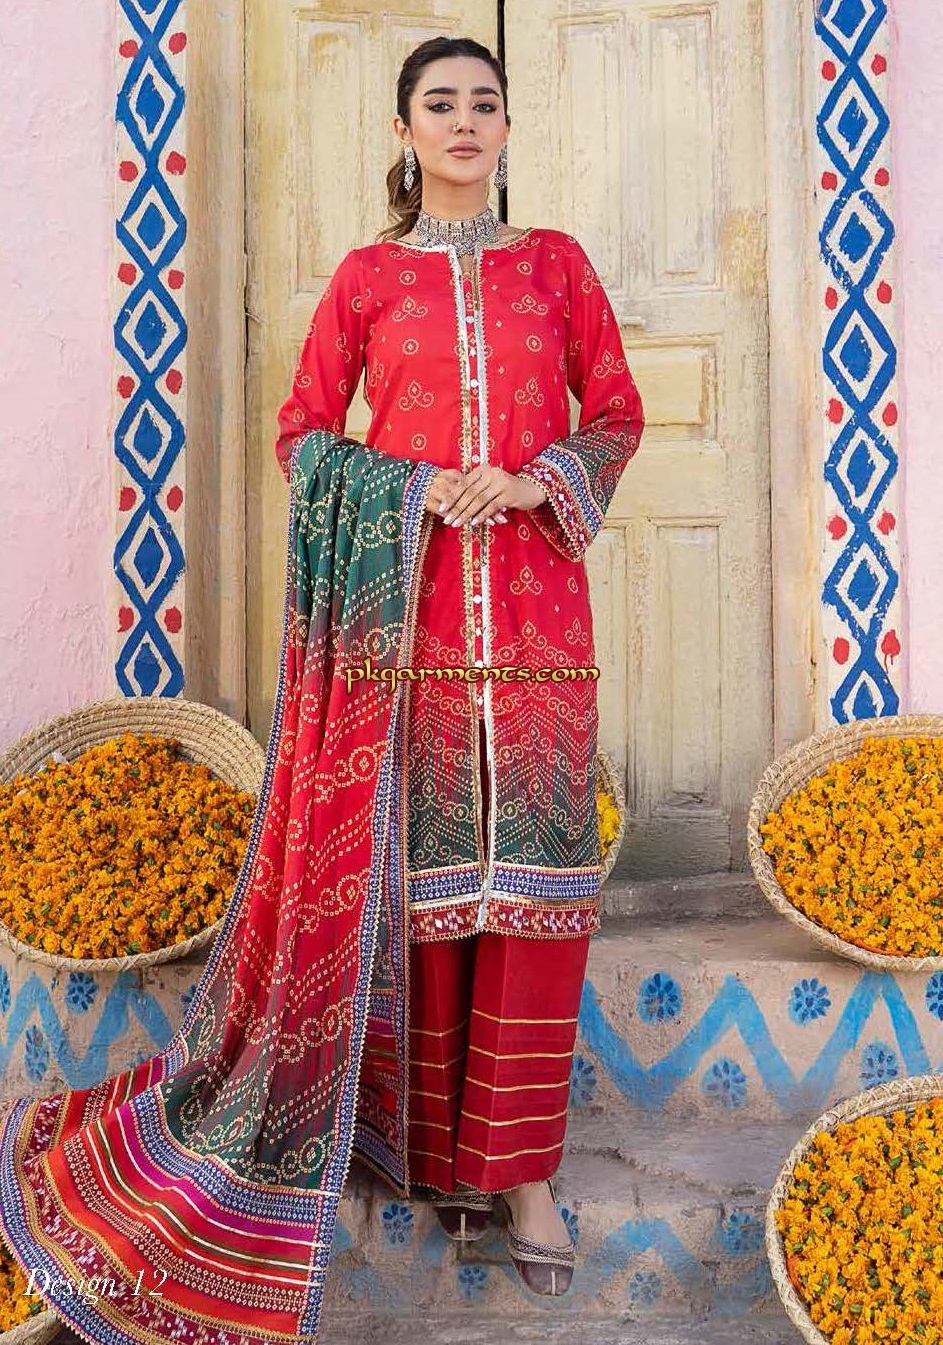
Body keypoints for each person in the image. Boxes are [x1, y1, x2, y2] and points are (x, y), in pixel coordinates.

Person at [0, 35, 643, 1345]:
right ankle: (423, 1156)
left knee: (535, 896)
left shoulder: (557, 266)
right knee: (418, 894)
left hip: (535, 625)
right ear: (404, 132)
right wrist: (410, 488)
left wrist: (536, 480)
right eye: (439, 104)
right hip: (401, 632)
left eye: (484, 104)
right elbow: (304, 435)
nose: (464, 122)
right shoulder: (366, 278)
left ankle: (523, 1177)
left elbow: (617, 414)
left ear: (506, 128)